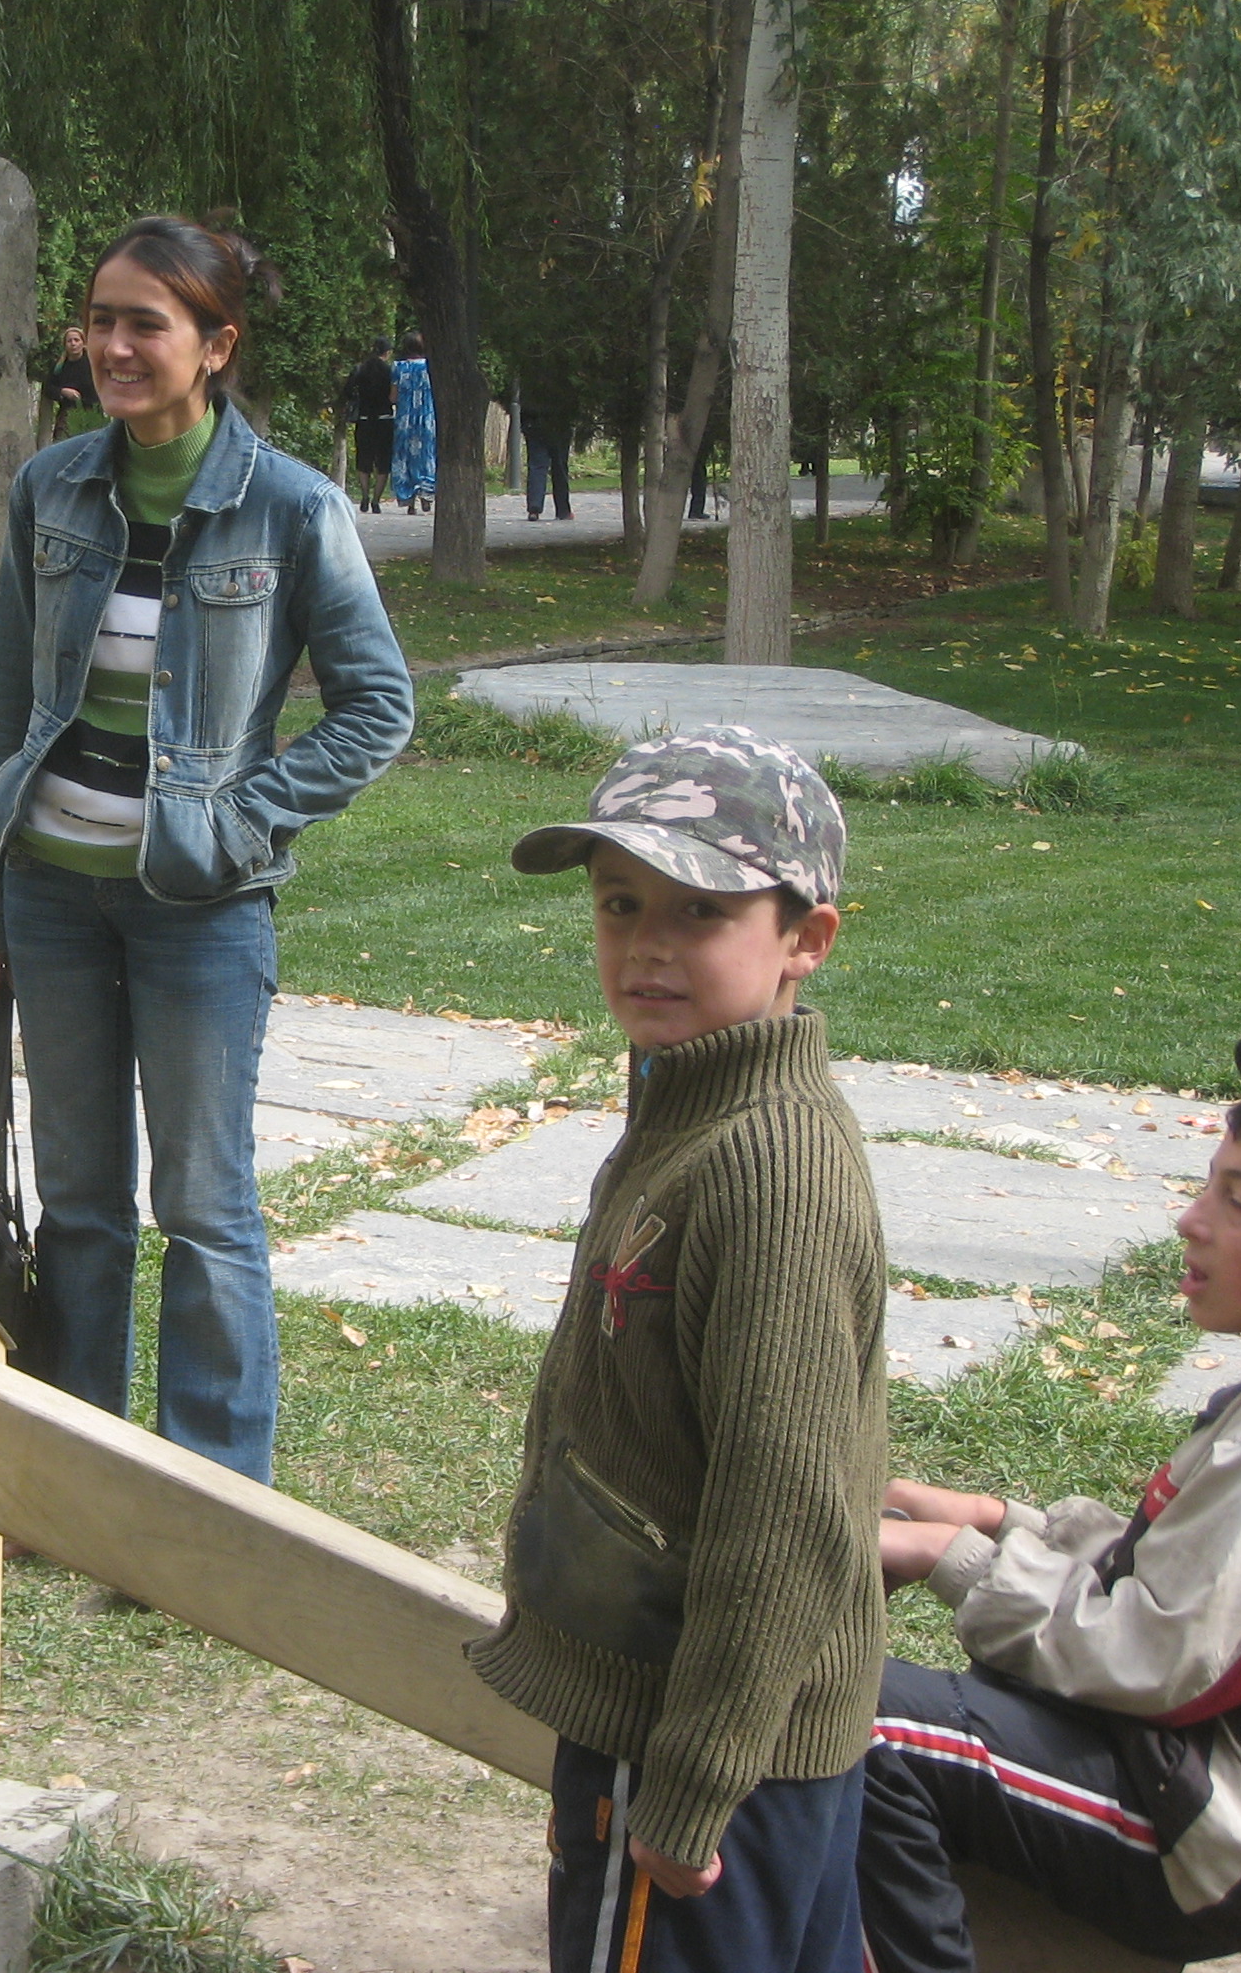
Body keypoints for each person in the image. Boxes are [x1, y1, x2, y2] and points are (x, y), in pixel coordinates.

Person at [0, 215, 411, 1484]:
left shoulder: (292, 506)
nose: (112, 345)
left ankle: (210, 1493)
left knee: (206, 1213)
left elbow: (378, 704)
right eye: (98, 320)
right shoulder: (50, 488)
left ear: (215, 345)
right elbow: (6, 713)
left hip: (202, 914)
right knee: (82, 1204)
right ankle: (82, 1469)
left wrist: (241, 819)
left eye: (142, 324)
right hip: (49, 896)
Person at [858, 1033, 1241, 1972]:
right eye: (1211, 1183)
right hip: (1216, 1791)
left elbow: (1144, 1658)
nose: (1191, 1219)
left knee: (862, 1725)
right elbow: (1181, 1578)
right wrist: (991, 1517)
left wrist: (947, 1558)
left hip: (1230, 1844)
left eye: (1238, 1202)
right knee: (915, 1713)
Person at [472, 725, 883, 1973]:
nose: (648, 943)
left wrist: (699, 1779)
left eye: (702, 911)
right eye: (619, 902)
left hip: (698, 1746)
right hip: (679, 1716)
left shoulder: (769, 1171)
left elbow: (786, 1503)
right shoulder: (693, 1101)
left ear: (806, 939)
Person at [337, 339, 396, 512]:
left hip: (364, 418)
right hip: (384, 419)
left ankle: (364, 496)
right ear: (387, 352)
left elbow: (347, 392)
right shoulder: (389, 371)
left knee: (364, 458)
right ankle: (376, 501)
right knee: (383, 461)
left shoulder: (360, 369)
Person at [390, 333, 437, 514]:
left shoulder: (398, 367)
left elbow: (393, 397)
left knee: (404, 457)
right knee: (427, 456)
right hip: (427, 418)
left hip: (405, 420)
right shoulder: (430, 367)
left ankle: (409, 501)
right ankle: (426, 494)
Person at [42, 322, 101, 443]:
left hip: (92, 413)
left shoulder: (94, 363)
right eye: (69, 341)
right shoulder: (59, 366)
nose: (73, 344)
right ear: (65, 345)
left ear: (83, 343)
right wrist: (63, 391)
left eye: (76, 340)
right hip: (67, 414)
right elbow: (48, 388)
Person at [524, 406, 573, 522]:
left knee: (537, 467)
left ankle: (534, 509)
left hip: (535, 423)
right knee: (559, 467)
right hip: (560, 425)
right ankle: (563, 511)